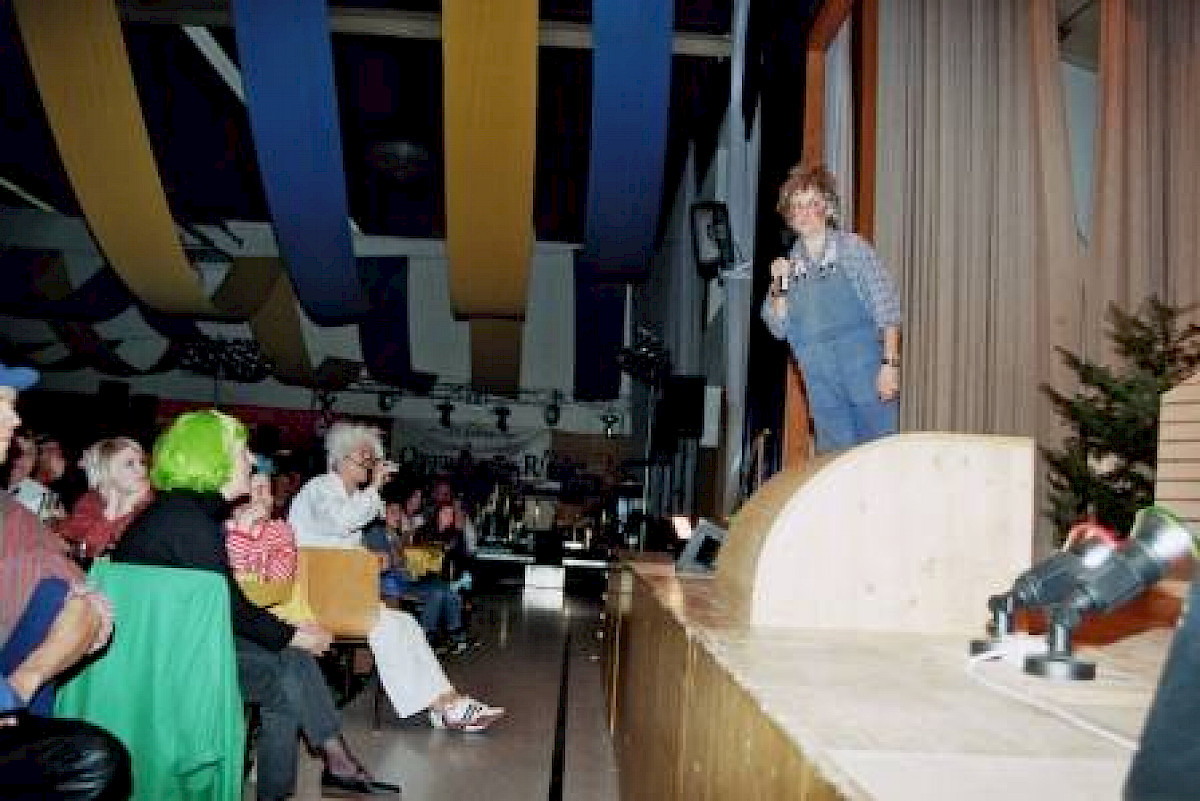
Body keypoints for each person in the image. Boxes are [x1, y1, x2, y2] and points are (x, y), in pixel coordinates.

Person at [111, 411, 399, 800]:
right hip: (175, 662)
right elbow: (231, 608)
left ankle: (335, 762)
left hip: (179, 644)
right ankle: (316, 774)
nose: (252, 460)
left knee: (293, 662)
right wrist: (293, 634)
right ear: (213, 459)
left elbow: (225, 605)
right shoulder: (189, 523)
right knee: (286, 678)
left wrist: (290, 636)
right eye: (242, 451)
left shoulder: (177, 513)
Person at [288, 422, 503, 730]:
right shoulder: (319, 489)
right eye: (363, 457)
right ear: (341, 458)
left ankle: (445, 701)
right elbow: (341, 523)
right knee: (388, 628)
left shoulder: (349, 496)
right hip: (317, 598)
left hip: (340, 592)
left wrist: (369, 559)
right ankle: (445, 706)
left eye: (372, 457)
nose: (370, 463)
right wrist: (375, 489)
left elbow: (340, 542)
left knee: (407, 624)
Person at [0, 360, 132, 801]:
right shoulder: (75, 505)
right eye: (2, 404)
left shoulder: (11, 511)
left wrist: (88, 598)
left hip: (14, 685)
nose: (14, 420)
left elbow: (58, 564)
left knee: (101, 757)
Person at [761, 163, 902, 453]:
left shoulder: (853, 250)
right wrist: (778, 286)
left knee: (878, 457)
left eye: (812, 203)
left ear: (826, 208)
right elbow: (778, 328)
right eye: (797, 206)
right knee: (835, 464)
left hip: (865, 377)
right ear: (789, 215)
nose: (804, 212)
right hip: (821, 386)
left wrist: (889, 366)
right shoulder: (788, 267)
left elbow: (887, 309)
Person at [58, 437, 152, 559]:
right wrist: (110, 513)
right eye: (130, 464)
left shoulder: (153, 502)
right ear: (106, 471)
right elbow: (84, 553)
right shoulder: (91, 501)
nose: (141, 470)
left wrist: (127, 506)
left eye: (142, 462)